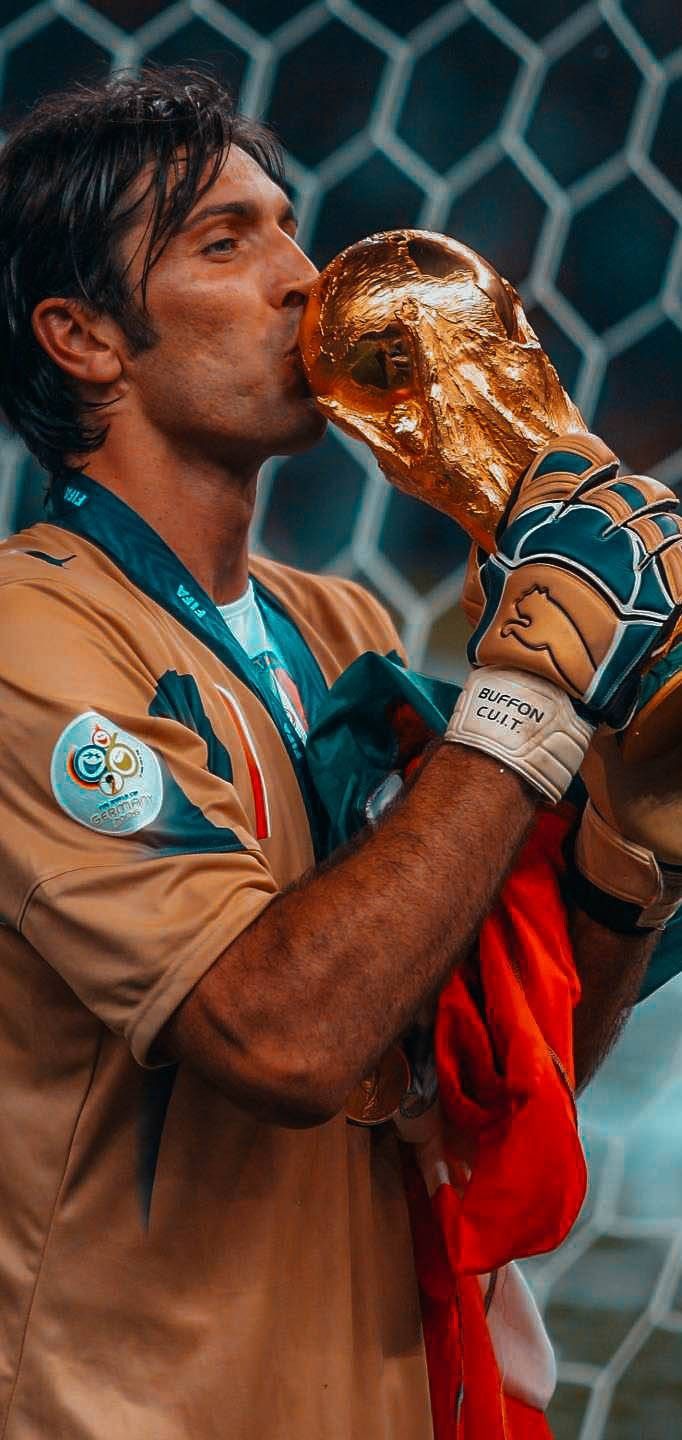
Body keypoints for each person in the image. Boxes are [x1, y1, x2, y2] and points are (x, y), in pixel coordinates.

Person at [0, 66, 680, 1440]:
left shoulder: (340, 625)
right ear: (82, 337)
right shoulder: (30, 637)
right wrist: (526, 694)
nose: (306, 282)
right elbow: (284, 1037)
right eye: (223, 242)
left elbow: (491, 1077)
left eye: (289, 227)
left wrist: (628, 837)